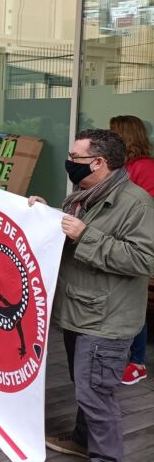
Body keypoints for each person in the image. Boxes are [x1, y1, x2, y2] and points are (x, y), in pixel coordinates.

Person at [28, 129, 154, 461]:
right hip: (80, 310)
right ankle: (82, 441)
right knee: (86, 386)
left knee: (96, 396)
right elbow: (68, 231)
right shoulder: (85, 194)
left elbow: (144, 259)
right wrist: (47, 215)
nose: (69, 162)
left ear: (98, 162)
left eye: (74, 157)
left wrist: (85, 235)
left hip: (106, 320)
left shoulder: (136, 203)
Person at [110, 115, 154, 386]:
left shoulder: (144, 167)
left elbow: (143, 207)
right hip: (116, 241)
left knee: (132, 301)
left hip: (134, 245)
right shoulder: (122, 166)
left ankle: (137, 362)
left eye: (112, 132)